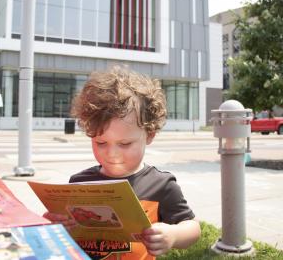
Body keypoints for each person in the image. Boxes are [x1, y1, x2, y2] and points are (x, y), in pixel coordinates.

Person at [44, 66, 201, 259]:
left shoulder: (161, 185)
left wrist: (173, 235)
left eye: (125, 143)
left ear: (149, 134)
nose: (112, 154)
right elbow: (67, 233)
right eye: (100, 142)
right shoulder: (80, 182)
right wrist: (57, 226)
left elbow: (193, 228)